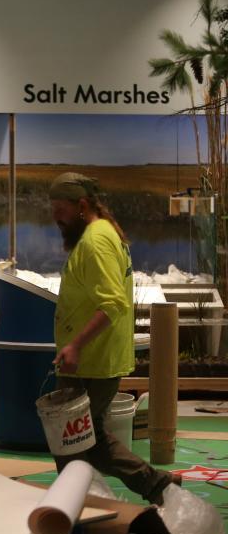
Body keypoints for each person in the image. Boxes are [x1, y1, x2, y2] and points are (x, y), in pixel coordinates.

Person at [49, 172, 178, 505]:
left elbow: (113, 303)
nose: (55, 217)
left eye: (59, 208)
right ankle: (74, 503)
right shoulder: (101, 234)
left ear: (81, 206)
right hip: (91, 359)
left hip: (92, 361)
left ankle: (157, 487)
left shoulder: (96, 241)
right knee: (76, 439)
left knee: (80, 440)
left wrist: (76, 344)